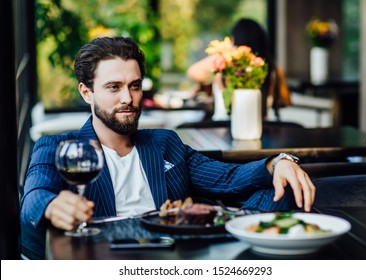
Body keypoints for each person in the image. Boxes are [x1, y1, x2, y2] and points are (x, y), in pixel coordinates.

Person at [20, 36, 315, 259]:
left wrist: (278, 162)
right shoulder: (58, 146)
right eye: (113, 87)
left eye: (135, 85)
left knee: (280, 190)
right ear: (87, 92)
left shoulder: (165, 143)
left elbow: (229, 178)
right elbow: (33, 197)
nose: (128, 98)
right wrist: (52, 206)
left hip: (172, 259)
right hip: (105, 260)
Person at [187, 18, 291, 120]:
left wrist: (223, 54)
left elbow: (192, 73)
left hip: (222, 129)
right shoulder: (273, 69)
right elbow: (286, 100)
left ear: (234, 41)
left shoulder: (224, 66)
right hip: (264, 129)